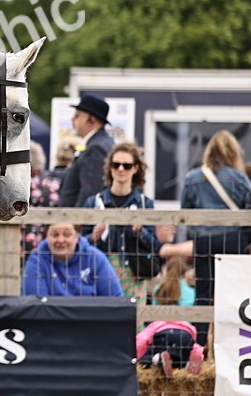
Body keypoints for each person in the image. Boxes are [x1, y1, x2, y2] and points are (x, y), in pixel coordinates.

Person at [181, 130, 251, 344]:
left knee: (203, 294)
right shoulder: (239, 178)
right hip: (233, 240)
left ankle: (199, 346)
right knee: (232, 293)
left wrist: (198, 232)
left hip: (204, 241)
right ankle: (231, 345)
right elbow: (249, 209)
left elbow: (185, 212)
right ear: (233, 153)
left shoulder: (193, 178)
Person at [82, 142, 161, 292]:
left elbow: (155, 245)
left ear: (135, 168)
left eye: (127, 166)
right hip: (99, 271)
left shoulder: (145, 203)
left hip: (134, 274)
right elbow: (80, 244)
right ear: (109, 167)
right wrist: (93, 236)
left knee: (135, 315)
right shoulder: (94, 202)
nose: (120, 169)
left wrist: (140, 232)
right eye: (116, 164)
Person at [22, 222, 124, 297]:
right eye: (54, 235)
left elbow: (116, 300)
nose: (60, 240)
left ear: (77, 236)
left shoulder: (96, 258)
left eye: (67, 235)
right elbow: (35, 306)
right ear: (47, 236)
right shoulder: (36, 260)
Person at [57, 95, 115, 208]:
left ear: (91, 120)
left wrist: (77, 223)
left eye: (77, 115)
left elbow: (90, 194)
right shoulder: (99, 143)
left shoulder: (96, 148)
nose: (72, 119)